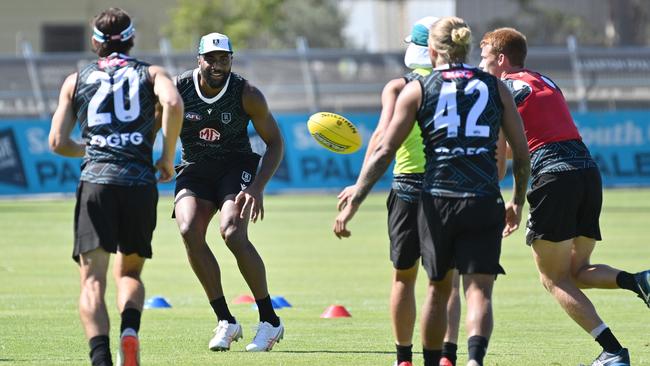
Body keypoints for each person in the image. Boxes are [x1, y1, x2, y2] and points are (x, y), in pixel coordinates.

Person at [334, 16, 530, 366]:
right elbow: (521, 152)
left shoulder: (415, 88)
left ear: (432, 49)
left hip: (436, 199)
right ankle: (471, 361)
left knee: (436, 289)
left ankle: (416, 359)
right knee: (479, 290)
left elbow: (383, 149)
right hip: (484, 197)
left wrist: (355, 200)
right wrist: (516, 200)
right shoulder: (494, 86)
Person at [479, 27, 650, 366]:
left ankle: (613, 351)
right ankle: (641, 281)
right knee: (576, 271)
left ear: (500, 59)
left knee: (553, 279)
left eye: (483, 58)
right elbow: (540, 138)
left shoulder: (497, 90)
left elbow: (501, 163)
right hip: (587, 171)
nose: (480, 65)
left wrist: (508, 198)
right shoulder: (544, 80)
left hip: (553, 180)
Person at [48, 7, 183, 366]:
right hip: (139, 182)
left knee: (92, 281)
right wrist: (166, 157)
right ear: (132, 39)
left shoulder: (76, 80)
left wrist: (90, 148)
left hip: (96, 182)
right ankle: (130, 331)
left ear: (95, 42)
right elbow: (172, 102)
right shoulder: (151, 72)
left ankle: (101, 358)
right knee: (131, 272)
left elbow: (58, 142)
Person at [172, 32, 285, 352]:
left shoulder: (246, 93)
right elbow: (157, 124)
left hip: (236, 166)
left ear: (231, 60)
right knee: (188, 230)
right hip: (194, 167)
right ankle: (226, 321)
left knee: (233, 231)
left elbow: (276, 143)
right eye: (211, 58)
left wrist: (257, 187)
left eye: (224, 58)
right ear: (199, 59)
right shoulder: (178, 89)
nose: (218, 65)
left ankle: (270, 321)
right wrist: (164, 160)